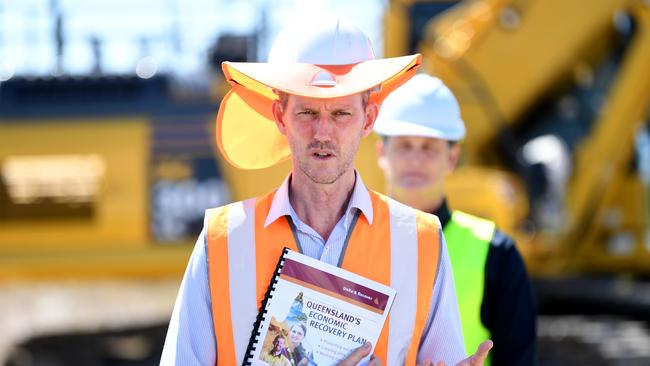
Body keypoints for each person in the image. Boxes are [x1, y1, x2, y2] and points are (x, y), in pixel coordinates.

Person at [160, 17, 491, 365]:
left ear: (368, 119)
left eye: (340, 113)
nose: (323, 132)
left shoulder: (421, 241)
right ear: (279, 116)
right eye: (306, 111)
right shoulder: (221, 240)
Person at [374, 73, 537, 365]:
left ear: (452, 158)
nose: (415, 160)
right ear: (381, 152)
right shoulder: (347, 237)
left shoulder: (496, 252)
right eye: (404, 145)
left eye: (428, 147)